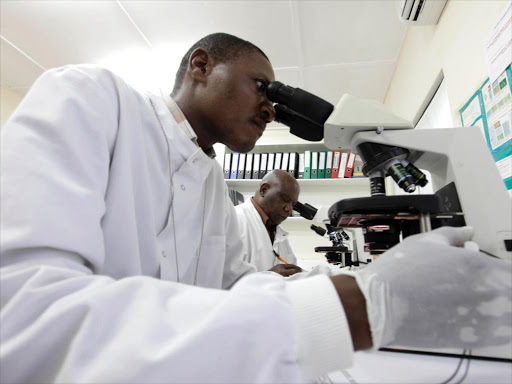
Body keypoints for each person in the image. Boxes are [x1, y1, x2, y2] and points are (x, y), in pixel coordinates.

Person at [1, 32, 510, 383]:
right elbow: (20, 317)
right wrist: (359, 306)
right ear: (202, 65)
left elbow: (238, 283)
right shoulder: (93, 98)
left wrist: (383, 281)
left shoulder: (208, 181)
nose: (271, 109)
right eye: (261, 87)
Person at [235, 169, 302, 276]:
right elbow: (220, 278)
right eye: (285, 199)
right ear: (264, 190)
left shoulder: (278, 232)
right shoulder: (234, 220)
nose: (289, 209)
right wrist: (269, 276)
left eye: (293, 204)